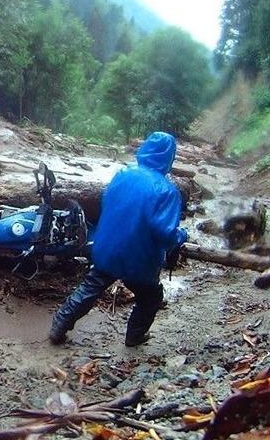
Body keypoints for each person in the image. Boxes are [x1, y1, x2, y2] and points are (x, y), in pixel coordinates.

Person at [49, 131, 187, 347]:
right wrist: (181, 236)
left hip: (107, 247)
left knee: (91, 287)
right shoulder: (166, 190)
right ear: (169, 157)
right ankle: (134, 337)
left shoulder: (122, 174)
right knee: (150, 298)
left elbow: (106, 203)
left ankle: (60, 323)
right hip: (140, 258)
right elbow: (165, 233)